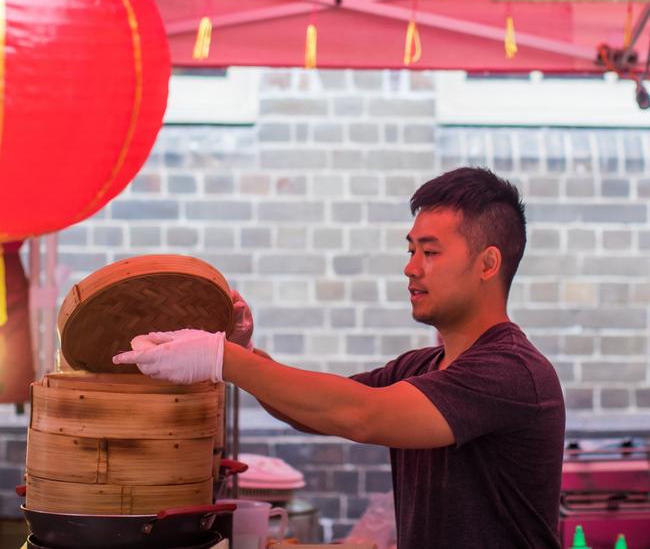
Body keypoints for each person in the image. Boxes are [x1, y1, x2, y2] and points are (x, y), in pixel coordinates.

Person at [114, 166, 565, 549]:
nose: (411, 267)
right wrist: (244, 352)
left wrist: (224, 360)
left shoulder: (512, 373)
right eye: (411, 251)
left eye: (430, 252)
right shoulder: (421, 368)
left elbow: (359, 414)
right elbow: (317, 411)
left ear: (488, 264)